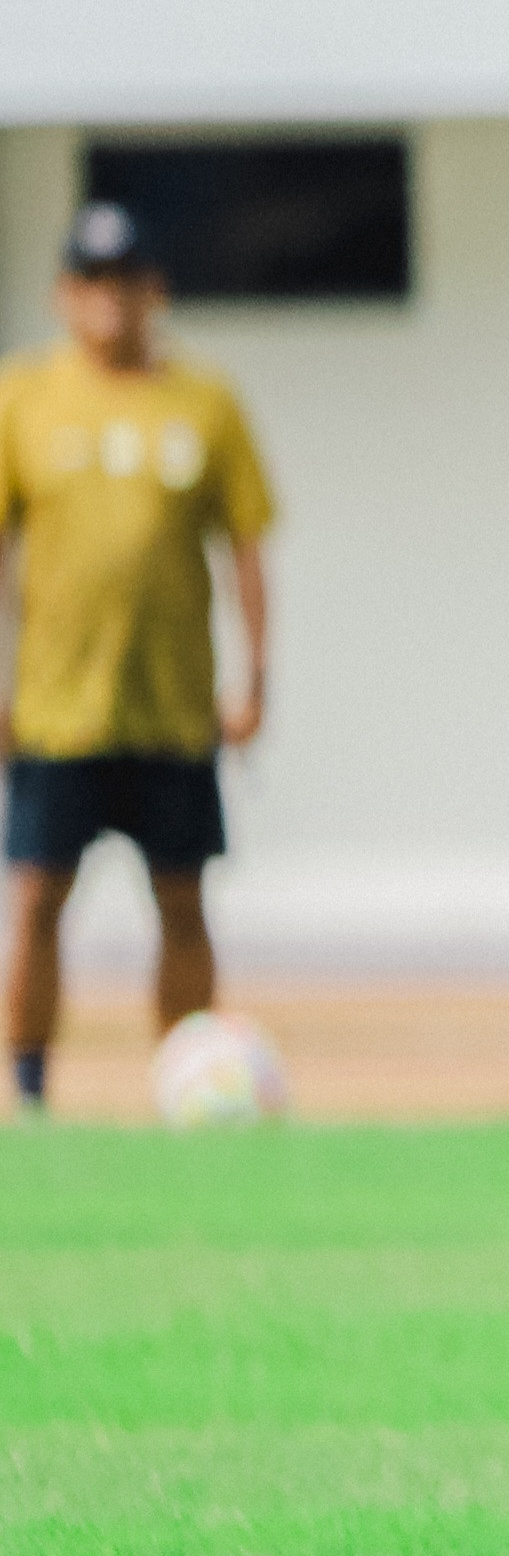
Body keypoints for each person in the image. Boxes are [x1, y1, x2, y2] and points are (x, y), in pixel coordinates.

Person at [2, 201, 275, 1122]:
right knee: (39, 896)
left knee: (184, 899)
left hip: (173, 704)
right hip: (57, 704)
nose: (110, 301)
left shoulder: (204, 400)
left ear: (153, 290)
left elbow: (244, 546)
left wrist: (255, 678)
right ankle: (30, 1091)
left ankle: (185, 1078)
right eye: (90, 282)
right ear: (64, 296)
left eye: (126, 281)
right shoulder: (24, 396)